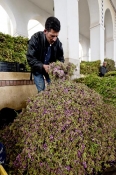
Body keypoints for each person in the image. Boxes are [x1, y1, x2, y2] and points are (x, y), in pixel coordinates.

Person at [26, 16, 64, 92]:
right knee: (41, 91)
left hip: (50, 70)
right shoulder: (36, 38)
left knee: (54, 89)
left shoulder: (58, 43)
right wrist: (42, 66)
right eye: (52, 36)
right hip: (37, 69)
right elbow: (30, 58)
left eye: (56, 36)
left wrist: (57, 67)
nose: (54, 39)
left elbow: (61, 58)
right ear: (45, 31)